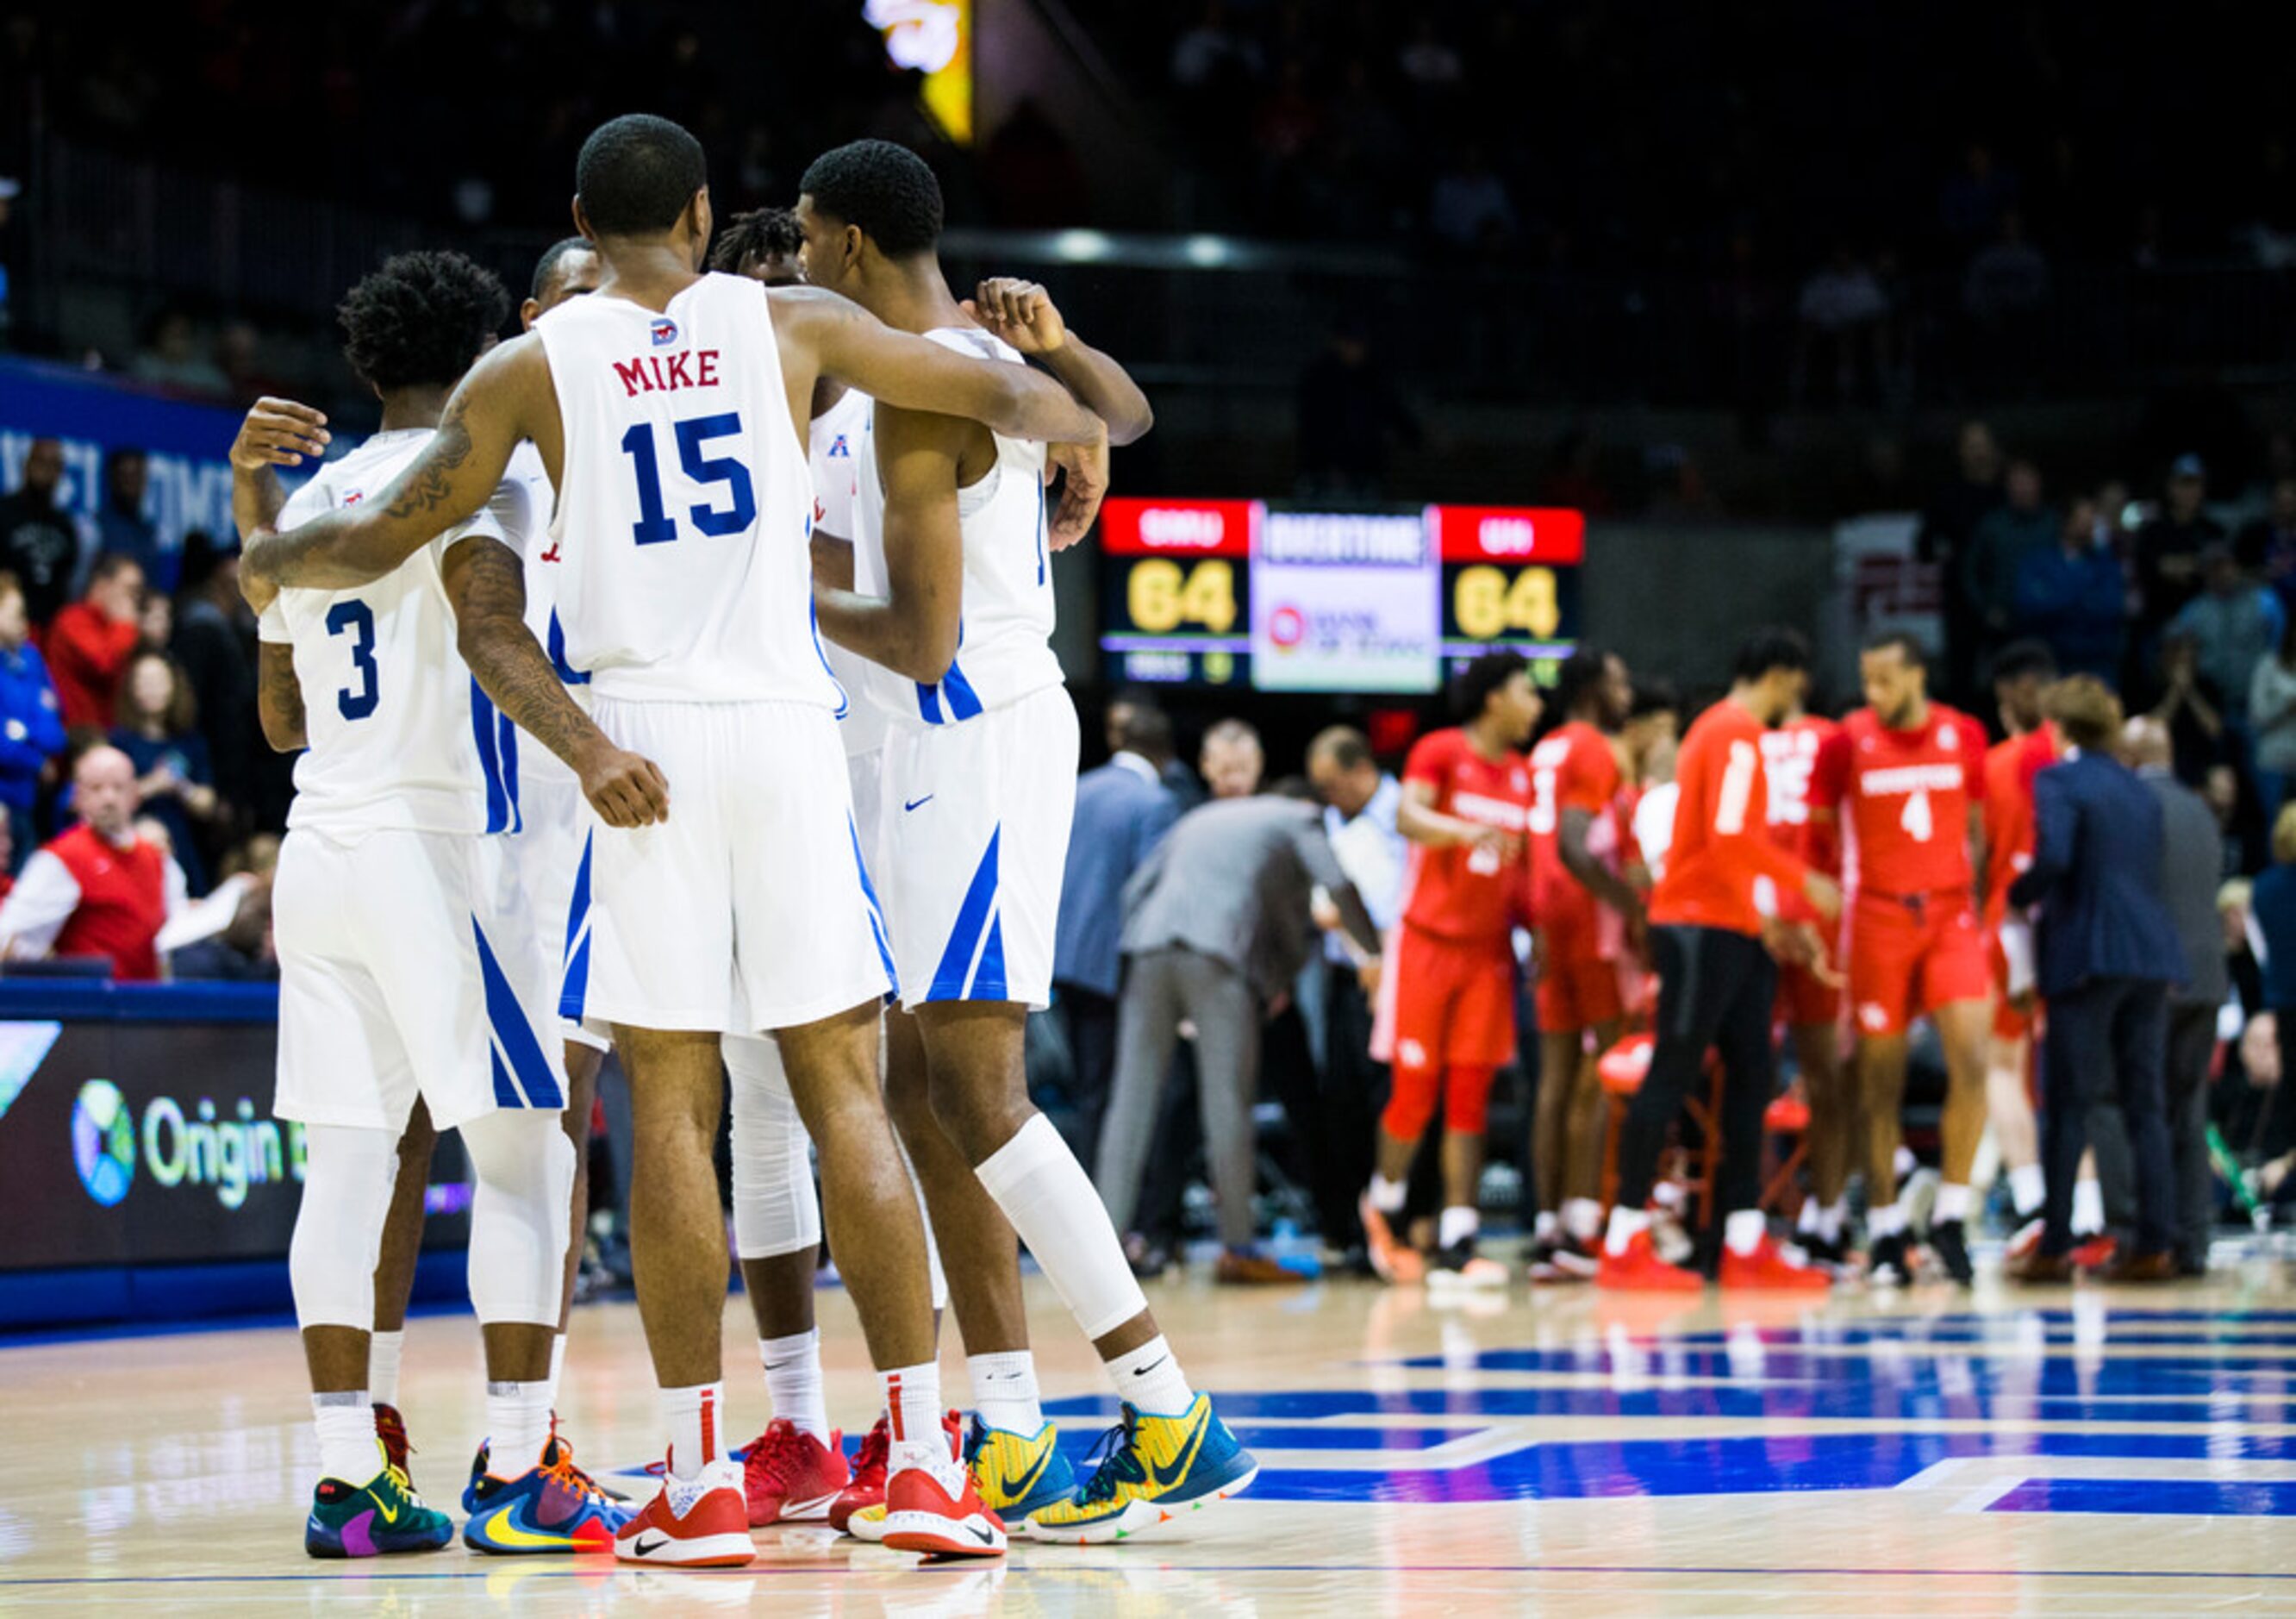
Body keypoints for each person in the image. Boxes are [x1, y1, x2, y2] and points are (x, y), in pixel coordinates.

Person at [240, 115, 1116, 1566]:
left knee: (670, 1106)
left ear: (583, 211)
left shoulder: (529, 367)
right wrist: (1065, 415)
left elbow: (389, 537)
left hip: (634, 751)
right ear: (708, 213)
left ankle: (701, 1473)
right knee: (846, 1085)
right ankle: (913, 1455)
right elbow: (1016, 407)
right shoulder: (795, 320)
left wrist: (270, 551)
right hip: (780, 733)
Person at [801, 138, 1257, 1549]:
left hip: (966, 729)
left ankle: (1167, 1404)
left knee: (982, 1090)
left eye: (811, 238)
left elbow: (922, 630)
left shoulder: (935, 373)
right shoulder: (869, 375)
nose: (801, 261)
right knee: (929, 1089)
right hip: (898, 749)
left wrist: (766, 591)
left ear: (852, 241)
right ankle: (1004, 1424)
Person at [231, 248, 634, 1560]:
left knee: (346, 1164)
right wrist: (590, 750)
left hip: (322, 846)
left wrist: (257, 538)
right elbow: (485, 627)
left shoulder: (310, 500)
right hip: (439, 847)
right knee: (528, 1152)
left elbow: (282, 720)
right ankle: (519, 1465)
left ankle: (351, 1477)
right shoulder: (488, 471)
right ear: (486, 361)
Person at [1596, 629, 1842, 1291]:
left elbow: (1724, 848)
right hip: (1700, 927)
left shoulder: (1726, 733)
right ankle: (1623, 1240)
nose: (1801, 693)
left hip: (1729, 926)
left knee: (1752, 1075)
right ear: (1782, 675)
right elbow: (1730, 838)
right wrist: (1803, 883)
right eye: (1798, 680)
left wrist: (1769, 924)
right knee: (1673, 1074)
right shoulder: (1734, 733)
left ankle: (1742, 1239)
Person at [1098, 784, 1382, 1281]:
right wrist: (1376, 952)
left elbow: (1134, 890)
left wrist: (1142, 947)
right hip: (1219, 954)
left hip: (1147, 947)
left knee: (1129, 1105)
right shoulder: (1302, 818)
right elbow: (1336, 882)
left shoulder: (1200, 817)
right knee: (1227, 1101)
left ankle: (1096, 1251)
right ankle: (1239, 1249)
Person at [1811, 632, 1993, 1286]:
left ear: (1918, 676)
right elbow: (1820, 832)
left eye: (1885, 679)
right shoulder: (1845, 741)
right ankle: (1885, 1223)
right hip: (1878, 914)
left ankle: (1950, 1211)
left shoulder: (1963, 734)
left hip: (1948, 912)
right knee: (1876, 1081)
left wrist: (1974, 898)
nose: (1873, 693)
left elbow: (1978, 827)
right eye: (1867, 680)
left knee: (1974, 1057)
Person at [1357, 650, 1541, 1286]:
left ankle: (1459, 1235)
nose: (1536, 705)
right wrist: (1463, 831)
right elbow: (1407, 816)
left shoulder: (1523, 773)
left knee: (1471, 1095)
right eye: (1527, 691)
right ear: (1495, 697)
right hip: (1428, 944)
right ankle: (1382, 1209)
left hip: (1488, 952)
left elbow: (1524, 871)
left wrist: (1538, 926)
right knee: (1415, 1089)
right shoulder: (1439, 750)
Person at [2006, 678, 2182, 1283]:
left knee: (2069, 1104)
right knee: (2145, 1105)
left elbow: (2054, 856)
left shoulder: (2058, 780)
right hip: (2152, 955)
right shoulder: (2140, 790)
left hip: (2087, 954)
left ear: (2057, 728)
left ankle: (2055, 1243)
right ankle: (2155, 1242)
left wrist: (2017, 894)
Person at [1524, 647, 1641, 1278]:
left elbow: (1535, 844)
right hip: (1588, 924)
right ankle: (1579, 1223)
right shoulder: (1593, 747)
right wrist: (1632, 906)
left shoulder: (1542, 749)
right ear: (1596, 687)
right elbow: (1574, 844)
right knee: (1603, 1074)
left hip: (1547, 922)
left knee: (1555, 1081)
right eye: (1620, 680)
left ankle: (1547, 1226)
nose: (1627, 692)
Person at [1054, 699, 1182, 1170]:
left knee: (1089, 1093)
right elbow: (1148, 893)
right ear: (1166, 755)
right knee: (1131, 1096)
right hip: (1120, 967)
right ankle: (1118, 1219)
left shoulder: (1079, 788)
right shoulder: (1157, 801)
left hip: (1065, 957)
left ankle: (1088, 1206)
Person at [2126, 715, 2230, 1275]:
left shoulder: (2140, 809)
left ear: (2134, 755)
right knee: (2190, 1113)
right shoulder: (2199, 809)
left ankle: (2154, 1236)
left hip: (2159, 980)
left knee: (2148, 1113)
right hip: (2208, 979)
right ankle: (2194, 1238)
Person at [1307, 724, 1407, 1255]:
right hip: (1344, 976)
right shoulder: (1329, 820)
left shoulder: (1404, 811)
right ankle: (1355, 1230)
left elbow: (1404, 896)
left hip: (1397, 973)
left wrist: (1382, 956)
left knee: (1391, 1097)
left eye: (1331, 783)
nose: (1327, 795)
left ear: (1362, 769)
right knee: (1342, 1099)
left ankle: (1403, 1220)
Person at [1763, 689, 1852, 1263]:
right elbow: (1848, 835)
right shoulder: (1834, 738)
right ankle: (1830, 1215)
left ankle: (1752, 1218)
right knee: (1829, 1080)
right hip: (1821, 915)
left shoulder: (1746, 741)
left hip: (1759, 920)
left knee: (1747, 1080)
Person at [1981, 641, 2062, 1256]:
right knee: (2071, 1072)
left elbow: (1979, 853)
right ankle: (2080, 1207)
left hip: (2011, 921)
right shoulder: (2080, 754)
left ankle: (2034, 1200)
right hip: (2071, 921)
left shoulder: (1998, 762)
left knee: (2001, 1069)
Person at [0, 743, 184, 978]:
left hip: (149, 1002)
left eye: (118, 788)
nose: (108, 798)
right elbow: (13, 932)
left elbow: (176, 933)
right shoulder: (61, 859)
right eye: (97, 788)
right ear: (78, 797)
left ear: (135, 795)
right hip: (92, 1006)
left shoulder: (159, 861)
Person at [107, 649, 218, 894]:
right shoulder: (120, 742)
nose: (152, 690)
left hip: (183, 843)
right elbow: (111, 799)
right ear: (132, 689)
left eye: (158, 682)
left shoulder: (190, 741)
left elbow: (207, 802)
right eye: (144, 683)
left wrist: (182, 787)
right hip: (136, 841)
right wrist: (153, 785)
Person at [2166, 541, 2282, 729]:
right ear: (2205, 573)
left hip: (2255, 699)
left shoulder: (2263, 601)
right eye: (2214, 568)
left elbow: (2280, 647)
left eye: (2226, 565)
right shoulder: (2195, 610)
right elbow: (2173, 644)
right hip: (2213, 701)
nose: (2221, 573)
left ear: (2236, 566)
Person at [2012, 492, 2126, 682]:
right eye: (2083, 518)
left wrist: (2057, 595)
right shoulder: (2038, 562)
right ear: (2066, 521)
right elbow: (2029, 607)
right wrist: (2082, 595)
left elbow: (2112, 607)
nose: (2089, 524)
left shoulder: (2106, 563)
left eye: (2092, 517)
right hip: (2052, 661)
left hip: (2098, 662)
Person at [1960, 459, 2056, 672]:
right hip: (2004, 626)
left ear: (2038, 483)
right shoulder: (1992, 525)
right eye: (2015, 483)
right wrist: (1986, 610)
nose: (2021, 488)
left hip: (2048, 626)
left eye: (2026, 481)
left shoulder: (2054, 523)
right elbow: (1970, 573)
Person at [0, 570, 65, 864]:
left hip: (31, 798)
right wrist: (37, 761)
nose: (24, 622)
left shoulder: (32, 657)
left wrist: (22, 731)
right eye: (16, 613)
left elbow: (55, 733)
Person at [43, 553, 144, 729]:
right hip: (78, 734)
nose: (134, 599)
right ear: (102, 585)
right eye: (129, 589)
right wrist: (124, 626)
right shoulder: (73, 619)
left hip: (113, 729)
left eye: (138, 592)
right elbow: (104, 665)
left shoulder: (117, 625)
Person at [2136, 453, 2229, 636]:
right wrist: (2199, 565)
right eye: (2185, 484)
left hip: (2207, 625)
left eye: (2196, 484)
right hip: (2161, 623)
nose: (2191, 491)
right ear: (2171, 487)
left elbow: (2222, 574)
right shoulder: (2153, 531)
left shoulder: (2213, 531)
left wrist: (2182, 566)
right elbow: (2155, 569)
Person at [0, 438, 82, 624]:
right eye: (40, 462)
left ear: (61, 472)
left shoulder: (64, 524)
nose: (45, 470)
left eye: (53, 465)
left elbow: (67, 579)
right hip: (7, 620)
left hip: (50, 625)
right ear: (26, 465)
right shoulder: (4, 512)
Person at [96, 447, 165, 590]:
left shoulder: (149, 532)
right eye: (125, 476)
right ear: (112, 478)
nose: (131, 483)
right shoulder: (96, 527)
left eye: (137, 476)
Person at [2250, 616, 2296, 822]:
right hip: (2273, 762)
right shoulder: (2268, 666)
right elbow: (2257, 716)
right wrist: (2286, 707)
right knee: (2276, 829)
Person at [1200, 716, 1265, 799]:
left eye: (1243, 769)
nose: (1235, 781)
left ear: (1259, 762)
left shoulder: (1279, 808)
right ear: (1205, 765)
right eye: (1225, 771)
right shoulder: (1190, 810)